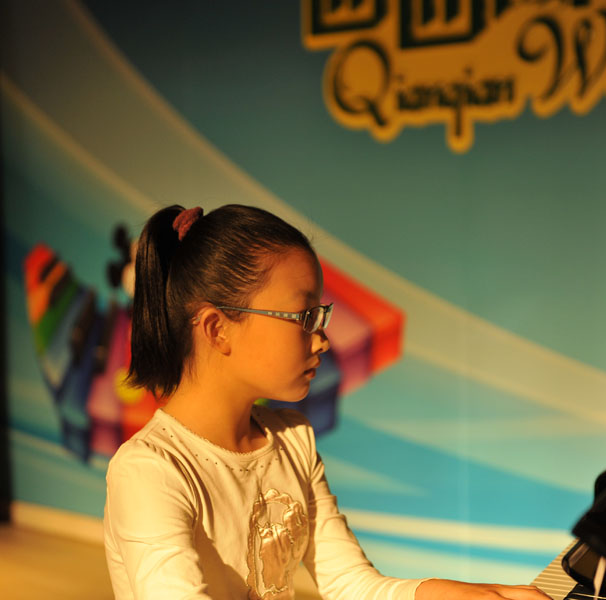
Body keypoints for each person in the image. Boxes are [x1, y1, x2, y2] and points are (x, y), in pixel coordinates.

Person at [103, 204, 549, 600]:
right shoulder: (150, 471)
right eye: (304, 317)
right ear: (218, 329)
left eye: (320, 316)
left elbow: (352, 585)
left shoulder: (292, 440)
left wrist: (468, 594)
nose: (321, 339)